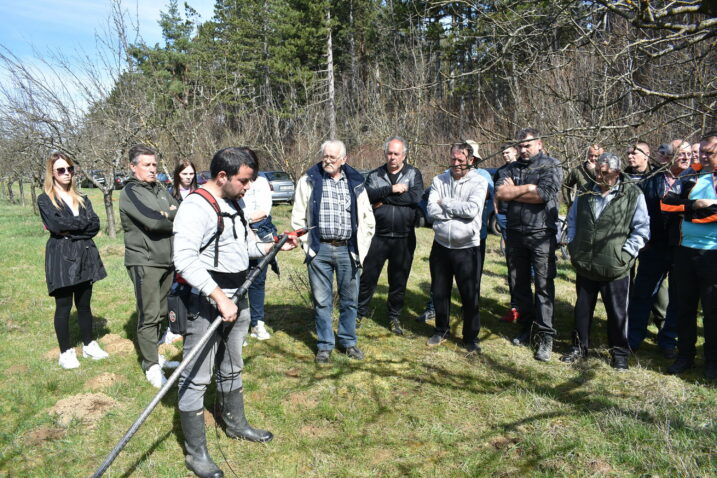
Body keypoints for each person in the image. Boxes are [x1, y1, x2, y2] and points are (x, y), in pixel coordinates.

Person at [174, 147, 297, 478]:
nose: (248, 187)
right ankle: (196, 453)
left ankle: (235, 424)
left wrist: (273, 245)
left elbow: (243, 248)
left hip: (237, 296)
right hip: (206, 302)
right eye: (245, 181)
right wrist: (218, 296)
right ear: (222, 177)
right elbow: (184, 259)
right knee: (195, 376)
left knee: (232, 365)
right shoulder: (195, 207)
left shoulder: (235, 203)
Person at [561, 153, 649, 369]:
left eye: (605, 173)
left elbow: (642, 229)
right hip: (586, 263)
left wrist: (625, 255)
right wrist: (573, 245)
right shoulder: (586, 191)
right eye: (597, 172)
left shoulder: (632, 194)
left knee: (618, 313)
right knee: (582, 309)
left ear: (617, 173)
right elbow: (572, 220)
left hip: (615, 266)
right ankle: (579, 347)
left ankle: (619, 353)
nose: (599, 176)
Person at [291, 140, 375, 363]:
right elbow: (298, 216)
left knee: (350, 300)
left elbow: (367, 218)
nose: (327, 161)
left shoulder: (356, 182)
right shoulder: (309, 180)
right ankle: (325, 345)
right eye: (325, 156)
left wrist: (362, 246)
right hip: (320, 250)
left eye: (333, 157)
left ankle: (348, 341)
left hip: (349, 249)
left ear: (344, 160)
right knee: (322, 301)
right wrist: (307, 246)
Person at [495, 128, 563, 362]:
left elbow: (543, 195)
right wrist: (526, 189)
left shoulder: (551, 165)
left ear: (539, 144)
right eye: (520, 146)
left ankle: (545, 335)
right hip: (515, 233)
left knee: (543, 285)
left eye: (528, 146)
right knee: (519, 283)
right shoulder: (511, 168)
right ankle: (528, 327)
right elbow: (501, 192)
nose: (523, 150)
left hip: (541, 233)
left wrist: (515, 191)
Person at [38, 152, 109, 369]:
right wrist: (80, 225)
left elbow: (95, 225)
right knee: (64, 305)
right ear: (52, 173)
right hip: (62, 257)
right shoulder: (45, 199)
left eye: (70, 169)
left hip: (85, 253)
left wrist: (72, 227)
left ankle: (88, 344)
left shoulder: (82, 197)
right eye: (61, 170)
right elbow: (57, 226)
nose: (67, 173)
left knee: (84, 304)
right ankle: (65, 352)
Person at [119, 144, 179, 388]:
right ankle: (150, 366)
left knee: (162, 311)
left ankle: (155, 355)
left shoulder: (160, 188)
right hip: (145, 261)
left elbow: (180, 211)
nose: (152, 169)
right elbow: (154, 222)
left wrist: (168, 213)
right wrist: (167, 214)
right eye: (147, 165)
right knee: (149, 314)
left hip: (167, 259)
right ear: (133, 167)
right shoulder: (130, 192)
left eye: (154, 164)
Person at [627, 139, 692, 357]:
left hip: (681, 248)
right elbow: (639, 213)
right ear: (666, 157)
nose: (686, 158)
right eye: (681, 154)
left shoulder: (694, 181)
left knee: (676, 297)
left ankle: (668, 341)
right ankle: (633, 338)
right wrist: (641, 240)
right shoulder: (650, 181)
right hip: (653, 247)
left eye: (689, 154)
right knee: (643, 293)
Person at [662, 132, 717, 379]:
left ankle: (712, 362)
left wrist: (686, 211)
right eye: (702, 152)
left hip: (713, 254)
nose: (703, 156)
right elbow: (666, 204)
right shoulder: (691, 174)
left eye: (710, 153)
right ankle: (685, 356)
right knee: (684, 307)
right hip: (685, 251)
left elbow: (715, 213)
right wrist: (695, 205)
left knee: (712, 311)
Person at [425, 142, 488, 353]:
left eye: (461, 160)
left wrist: (446, 203)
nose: (456, 163)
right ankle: (441, 330)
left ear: (471, 160)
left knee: (469, 295)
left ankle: (470, 338)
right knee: (440, 291)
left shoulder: (479, 182)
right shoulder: (438, 180)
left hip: (467, 248)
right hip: (441, 245)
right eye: (453, 159)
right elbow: (431, 210)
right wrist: (449, 209)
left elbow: (471, 210)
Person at [357, 136, 423, 335]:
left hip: (404, 238)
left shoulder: (413, 173)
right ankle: (359, 313)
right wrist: (391, 189)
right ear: (385, 153)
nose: (392, 157)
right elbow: (365, 196)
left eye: (396, 153)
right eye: (389, 153)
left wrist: (383, 198)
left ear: (404, 155)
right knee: (368, 277)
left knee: (398, 280)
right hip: (378, 236)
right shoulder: (375, 174)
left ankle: (394, 317)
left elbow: (415, 197)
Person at [240, 171, 278, 340]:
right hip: (238, 236)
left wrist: (244, 218)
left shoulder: (261, 182)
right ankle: (238, 327)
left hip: (260, 234)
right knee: (238, 282)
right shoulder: (234, 181)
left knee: (257, 279)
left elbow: (264, 210)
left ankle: (257, 323)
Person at [494, 143, 520, 323]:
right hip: (503, 216)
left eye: (508, 152)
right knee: (511, 262)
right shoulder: (501, 171)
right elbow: (496, 192)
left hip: (518, 218)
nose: (505, 155)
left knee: (521, 263)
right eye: (503, 152)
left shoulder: (521, 169)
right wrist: (496, 212)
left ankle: (524, 306)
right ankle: (514, 307)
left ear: (516, 152)